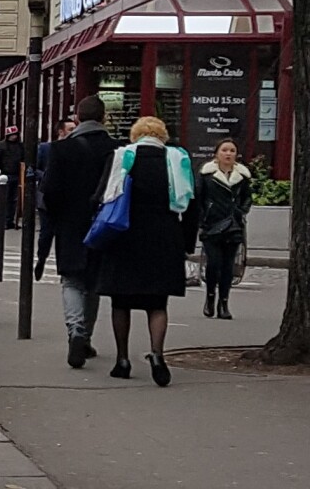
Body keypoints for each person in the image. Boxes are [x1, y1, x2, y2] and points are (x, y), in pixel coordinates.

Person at [94, 115, 198, 387]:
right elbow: (190, 205)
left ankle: (122, 360)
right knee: (157, 304)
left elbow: (102, 196)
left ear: (135, 135)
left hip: (125, 237)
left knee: (121, 302)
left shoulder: (121, 157)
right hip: (164, 238)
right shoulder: (177, 160)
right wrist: (186, 244)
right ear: (162, 136)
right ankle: (157, 354)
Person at [42, 97, 116, 368]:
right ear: (103, 117)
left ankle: (75, 331)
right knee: (92, 283)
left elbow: (49, 191)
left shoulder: (61, 149)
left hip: (70, 223)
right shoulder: (114, 149)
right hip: (103, 223)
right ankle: (85, 336)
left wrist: (56, 215)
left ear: (77, 119)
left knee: (71, 280)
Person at [194, 137, 252, 320]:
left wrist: (240, 211)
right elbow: (198, 197)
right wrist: (203, 218)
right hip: (212, 225)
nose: (228, 154)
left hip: (233, 225)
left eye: (232, 151)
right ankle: (210, 297)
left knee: (228, 266)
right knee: (214, 263)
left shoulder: (242, 176)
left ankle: (224, 303)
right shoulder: (206, 174)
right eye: (225, 150)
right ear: (216, 154)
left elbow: (247, 198)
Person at [33, 118, 76, 279]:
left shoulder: (74, 148)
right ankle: (41, 259)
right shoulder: (46, 148)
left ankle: (61, 265)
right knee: (46, 232)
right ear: (61, 131)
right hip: (47, 197)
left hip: (66, 197)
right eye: (70, 129)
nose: (74, 132)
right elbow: (34, 167)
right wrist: (45, 176)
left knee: (62, 234)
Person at [0, 125, 24, 228]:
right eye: (12, 135)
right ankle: (4, 221)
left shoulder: (20, 146)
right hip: (5, 175)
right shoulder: (1, 146)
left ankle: (9, 220)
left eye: (15, 134)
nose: (14, 136)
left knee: (13, 200)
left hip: (16, 174)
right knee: (4, 199)